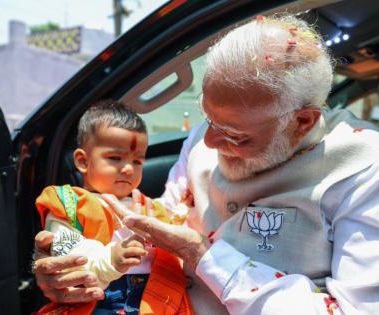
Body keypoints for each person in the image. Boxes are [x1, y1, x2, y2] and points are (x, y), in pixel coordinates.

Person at [33, 14, 379, 315]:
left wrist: (202, 256)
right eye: (208, 118)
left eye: (235, 135)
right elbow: (161, 221)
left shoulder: (361, 169)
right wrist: (72, 263)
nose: (210, 142)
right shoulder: (203, 137)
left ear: (302, 122)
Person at [34, 100, 193, 314]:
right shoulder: (69, 203)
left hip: (152, 297)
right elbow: (67, 252)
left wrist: (183, 210)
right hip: (100, 300)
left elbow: (169, 232)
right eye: (115, 158)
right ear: (82, 161)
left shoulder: (146, 206)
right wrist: (110, 260)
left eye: (137, 162)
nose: (128, 169)